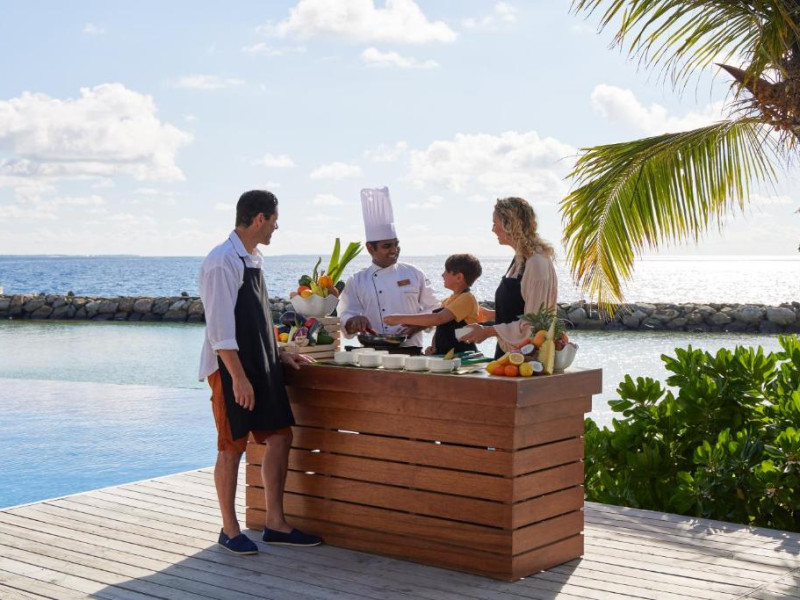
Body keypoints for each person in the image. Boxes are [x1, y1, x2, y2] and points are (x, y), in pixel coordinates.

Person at [198, 189, 322, 555]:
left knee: (280, 436)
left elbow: (256, 319)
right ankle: (229, 529)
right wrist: (238, 378)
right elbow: (220, 330)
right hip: (230, 368)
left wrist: (279, 353)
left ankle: (275, 524)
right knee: (231, 446)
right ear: (259, 219)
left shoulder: (254, 258)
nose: (276, 228)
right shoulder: (222, 261)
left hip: (260, 362)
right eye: (274, 221)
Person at [338, 187, 438, 351]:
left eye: (396, 244)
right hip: (371, 353)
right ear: (370, 248)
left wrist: (417, 326)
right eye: (387, 246)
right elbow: (345, 314)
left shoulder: (414, 273)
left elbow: (434, 309)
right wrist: (352, 321)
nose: (394, 250)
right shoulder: (357, 280)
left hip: (410, 351)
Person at [460, 197, 558, 358]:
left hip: (526, 359)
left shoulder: (536, 263)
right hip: (510, 355)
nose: (492, 230)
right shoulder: (521, 259)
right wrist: (491, 315)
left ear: (509, 224)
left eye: (495, 223)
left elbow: (533, 324)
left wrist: (487, 331)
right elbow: (521, 309)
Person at [383, 253, 482, 355]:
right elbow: (440, 327)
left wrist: (399, 319)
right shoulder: (448, 300)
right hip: (447, 355)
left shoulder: (467, 299)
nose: (442, 275)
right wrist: (434, 347)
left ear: (459, 277)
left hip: (463, 355)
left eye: (447, 271)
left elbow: (438, 318)